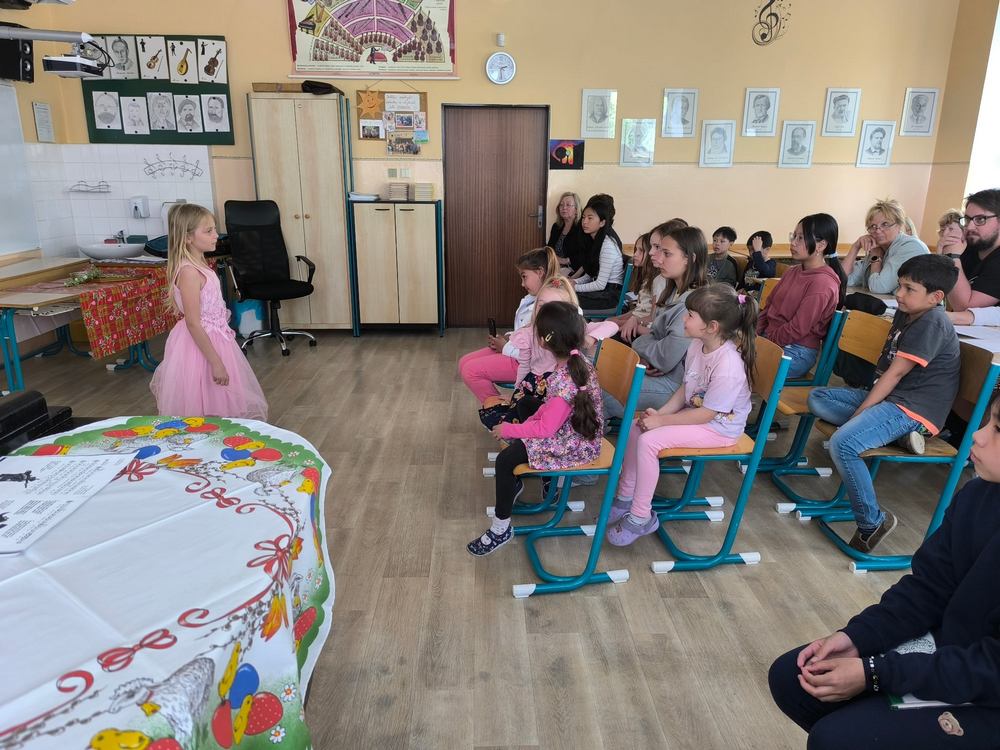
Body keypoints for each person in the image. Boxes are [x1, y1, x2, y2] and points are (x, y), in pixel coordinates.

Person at [768, 397, 1000, 748]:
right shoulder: (978, 495)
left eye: (998, 430)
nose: (978, 436)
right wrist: (858, 638)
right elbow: (928, 587)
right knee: (794, 678)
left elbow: (990, 669)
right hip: (953, 656)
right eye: (988, 422)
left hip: (986, 685)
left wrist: (875, 673)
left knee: (836, 739)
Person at [807, 255, 960, 552]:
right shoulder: (908, 311)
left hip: (913, 410)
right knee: (818, 398)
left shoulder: (932, 322)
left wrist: (862, 413)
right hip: (891, 400)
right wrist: (866, 411)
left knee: (844, 444)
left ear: (936, 297)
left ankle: (872, 522)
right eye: (900, 285)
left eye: (909, 289)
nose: (899, 294)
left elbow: (895, 373)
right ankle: (898, 437)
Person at [605, 284, 757, 545]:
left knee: (649, 441)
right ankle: (625, 498)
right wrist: (659, 413)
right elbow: (687, 387)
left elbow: (706, 414)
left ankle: (640, 517)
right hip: (697, 415)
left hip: (720, 429)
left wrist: (662, 422)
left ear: (711, 327)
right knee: (635, 426)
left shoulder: (729, 365)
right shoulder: (697, 345)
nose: (684, 319)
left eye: (690, 315)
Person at [468, 301, 604, 556]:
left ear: (543, 340)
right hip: (571, 431)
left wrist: (509, 430)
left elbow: (545, 430)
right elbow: (548, 412)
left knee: (506, 460)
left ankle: (500, 529)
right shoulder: (574, 362)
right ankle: (544, 479)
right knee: (527, 403)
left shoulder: (565, 378)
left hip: (574, 444)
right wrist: (525, 425)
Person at [150, 204, 268, 420]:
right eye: (208, 231)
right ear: (188, 237)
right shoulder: (189, 272)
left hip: (217, 340)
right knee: (204, 400)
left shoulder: (202, 265)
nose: (216, 235)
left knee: (220, 398)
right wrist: (216, 362)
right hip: (200, 346)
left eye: (214, 229)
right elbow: (193, 322)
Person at [604, 224, 707, 420]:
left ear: (690, 258)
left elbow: (664, 359)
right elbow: (652, 337)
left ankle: (585, 433)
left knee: (599, 388)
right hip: (659, 374)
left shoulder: (693, 303)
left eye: (667, 254)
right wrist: (647, 351)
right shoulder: (671, 291)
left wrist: (643, 348)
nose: (659, 258)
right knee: (594, 375)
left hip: (676, 388)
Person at [458, 246, 559, 405]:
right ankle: (504, 408)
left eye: (524, 277)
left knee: (470, 371)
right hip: (516, 352)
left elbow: (536, 353)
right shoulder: (533, 299)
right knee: (464, 362)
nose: (522, 283)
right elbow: (525, 332)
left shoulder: (547, 306)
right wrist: (510, 337)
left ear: (540, 272)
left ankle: (502, 412)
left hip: (529, 364)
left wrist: (505, 347)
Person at [757, 214, 846, 378]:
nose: (793, 243)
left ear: (821, 245)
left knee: (739, 366)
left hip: (797, 351)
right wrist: (754, 335)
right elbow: (768, 307)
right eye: (794, 236)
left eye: (801, 238)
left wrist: (764, 342)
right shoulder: (792, 271)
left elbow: (798, 328)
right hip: (771, 340)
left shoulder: (823, 283)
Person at [842, 198, 929, 294]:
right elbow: (843, 279)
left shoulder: (911, 247)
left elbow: (878, 287)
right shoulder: (879, 247)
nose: (878, 231)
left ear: (899, 225)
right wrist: (856, 246)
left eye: (885, 224)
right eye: (873, 226)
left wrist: (876, 257)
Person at [946, 188, 1000, 313]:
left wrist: (952, 257)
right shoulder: (968, 247)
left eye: (980, 219)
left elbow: (965, 308)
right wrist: (942, 252)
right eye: (967, 219)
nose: (969, 227)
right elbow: (935, 291)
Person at [570, 194, 625, 311]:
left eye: (590, 218)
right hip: (601, 291)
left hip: (609, 296)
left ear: (602, 223)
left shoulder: (607, 245)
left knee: (565, 298)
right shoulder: (595, 241)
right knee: (562, 294)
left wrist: (574, 287)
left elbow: (600, 284)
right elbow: (591, 275)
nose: (584, 222)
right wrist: (573, 282)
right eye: (583, 217)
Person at [546, 192, 586, 271]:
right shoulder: (556, 226)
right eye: (561, 205)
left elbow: (584, 254)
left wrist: (565, 261)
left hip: (573, 268)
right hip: (554, 265)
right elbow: (550, 248)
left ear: (576, 209)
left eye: (568, 205)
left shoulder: (582, 228)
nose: (564, 208)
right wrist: (552, 258)